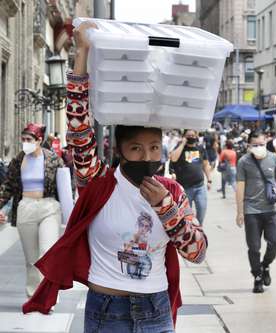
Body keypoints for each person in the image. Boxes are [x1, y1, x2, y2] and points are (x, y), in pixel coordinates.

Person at [22, 22, 208, 332]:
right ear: (119, 150)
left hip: (155, 312)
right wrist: (83, 51)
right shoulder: (98, 182)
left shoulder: (172, 191)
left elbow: (197, 251)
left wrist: (166, 209)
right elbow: (79, 128)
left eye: (152, 148)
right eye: (136, 148)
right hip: (107, 312)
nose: (147, 157)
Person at [0, 123, 64, 297]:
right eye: (23, 140)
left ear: (39, 140)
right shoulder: (18, 160)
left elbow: (65, 184)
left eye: (29, 140)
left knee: (47, 253)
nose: (25, 143)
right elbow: (8, 186)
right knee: (32, 259)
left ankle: (48, 297)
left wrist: (70, 211)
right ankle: (34, 295)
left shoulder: (53, 159)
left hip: (49, 206)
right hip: (26, 206)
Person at [236, 131, 276, 293]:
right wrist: (239, 211)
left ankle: (265, 265)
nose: (259, 147)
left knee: (275, 242)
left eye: (261, 144)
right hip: (251, 210)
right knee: (254, 247)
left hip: (270, 209)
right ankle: (257, 277)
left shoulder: (273, 158)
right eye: (255, 145)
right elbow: (240, 186)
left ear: (266, 142)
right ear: (249, 145)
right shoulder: (244, 162)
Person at [170, 129, 212, 225]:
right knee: (186, 216)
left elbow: (206, 165)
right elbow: (173, 158)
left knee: (202, 210)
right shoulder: (180, 148)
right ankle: (189, 233)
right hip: (185, 189)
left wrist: (209, 180)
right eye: (188, 135)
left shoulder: (200, 148)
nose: (191, 137)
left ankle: (198, 229)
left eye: (193, 135)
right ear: (184, 136)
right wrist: (182, 143)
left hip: (199, 187)